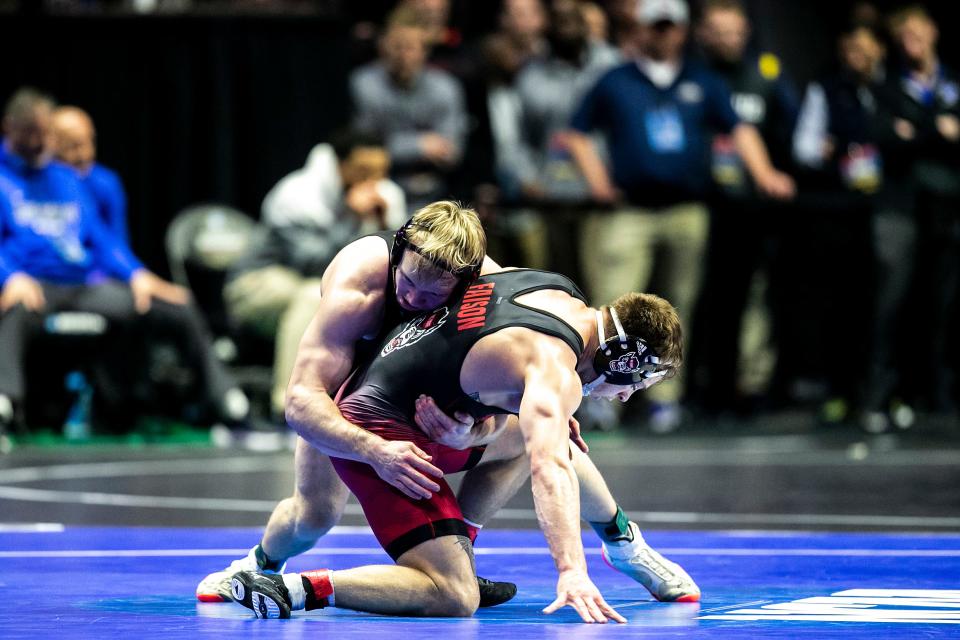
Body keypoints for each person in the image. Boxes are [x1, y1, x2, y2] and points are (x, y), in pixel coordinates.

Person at [198, 202, 699, 614]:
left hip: (415, 397)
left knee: (540, 436)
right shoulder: (362, 284)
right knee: (316, 514)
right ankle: (263, 569)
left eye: (433, 293)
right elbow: (302, 402)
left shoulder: (524, 284)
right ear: (400, 251)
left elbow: (501, 361)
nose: (413, 297)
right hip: (353, 408)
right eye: (409, 282)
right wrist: (376, 451)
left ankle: (611, 543)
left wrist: (491, 426)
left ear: (470, 276)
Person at [565, 0, 794, 432]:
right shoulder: (616, 79)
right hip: (628, 210)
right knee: (611, 309)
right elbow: (576, 132)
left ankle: (664, 399)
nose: (663, 34)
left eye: (670, 27)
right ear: (641, 29)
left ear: (683, 31)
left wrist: (763, 172)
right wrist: (597, 181)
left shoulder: (701, 81)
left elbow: (739, 128)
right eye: (655, 26)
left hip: (687, 211)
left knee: (677, 307)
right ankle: (601, 396)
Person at [0, 87, 248, 433]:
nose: (42, 142)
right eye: (33, 133)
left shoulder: (66, 178)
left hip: (82, 285)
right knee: (13, 309)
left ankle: (225, 399)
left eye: (46, 134)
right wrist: (9, 275)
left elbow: (101, 239)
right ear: (10, 128)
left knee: (172, 304)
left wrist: (137, 275)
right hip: (33, 287)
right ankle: (6, 403)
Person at [223, 128, 406, 417]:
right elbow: (313, 263)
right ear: (340, 165)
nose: (373, 181)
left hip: (310, 284)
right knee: (315, 296)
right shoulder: (297, 194)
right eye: (363, 171)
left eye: (380, 172)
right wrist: (353, 217)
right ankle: (289, 406)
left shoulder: (386, 195)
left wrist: (386, 224)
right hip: (256, 283)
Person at [692, 0, 800, 417]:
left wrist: (775, 174)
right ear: (703, 33)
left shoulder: (766, 75)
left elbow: (787, 132)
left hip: (752, 211)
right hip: (705, 204)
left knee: (750, 301)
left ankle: (749, 386)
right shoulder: (693, 78)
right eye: (720, 31)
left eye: (736, 31)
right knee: (702, 301)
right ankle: (700, 388)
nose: (729, 39)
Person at [349, 18, 467, 211]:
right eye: (397, 47)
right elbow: (365, 152)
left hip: (439, 191)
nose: (403, 55)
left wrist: (394, 145)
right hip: (384, 187)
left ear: (424, 51)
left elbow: (452, 152)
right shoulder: (364, 85)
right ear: (383, 48)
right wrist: (420, 145)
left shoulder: (446, 87)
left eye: (410, 47)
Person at [50, 105, 130, 243]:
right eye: (72, 146)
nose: (83, 155)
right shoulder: (38, 182)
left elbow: (116, 242)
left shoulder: (106, 183)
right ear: (51, 146)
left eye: (88, 142)